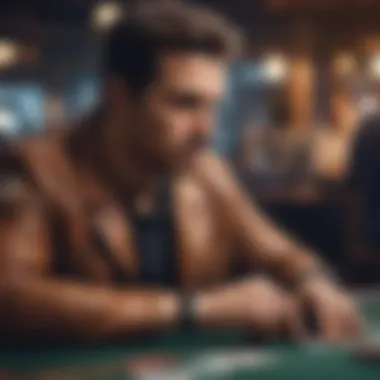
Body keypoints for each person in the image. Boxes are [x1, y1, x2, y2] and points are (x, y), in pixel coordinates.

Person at [0, 2, 359, 343]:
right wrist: (194, 309)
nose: (206, 130)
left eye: (211, 106)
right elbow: (10, 295)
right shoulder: (37, 168)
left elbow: (278, 253)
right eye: (185, 103)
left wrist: (314, 281)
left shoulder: (205, 172)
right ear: (118, 96)